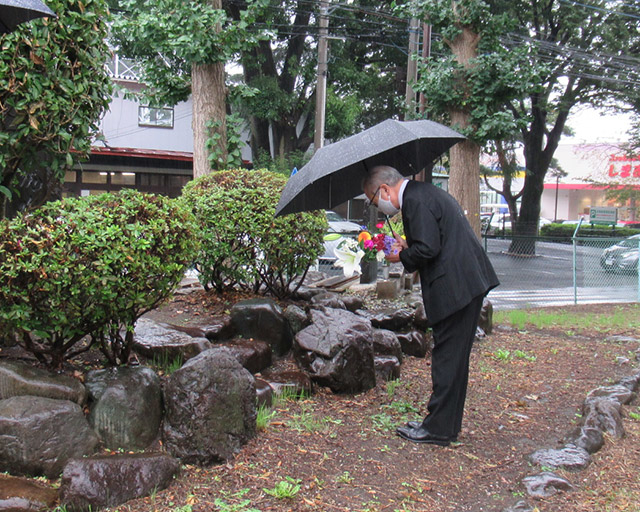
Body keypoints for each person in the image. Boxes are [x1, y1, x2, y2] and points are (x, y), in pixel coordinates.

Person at [363, 165, 499, 446]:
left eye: (376, 200)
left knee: (448, 359)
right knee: (454, 360)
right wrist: (407, 245)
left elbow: (428, 249)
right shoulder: (423, 194)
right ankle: (444, 425)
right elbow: (431, 240)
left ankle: (438, 429)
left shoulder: (415, 200)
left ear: (385, 189)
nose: (380, 206)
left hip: (456, 288)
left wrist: (400, 256)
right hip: (465, 284)